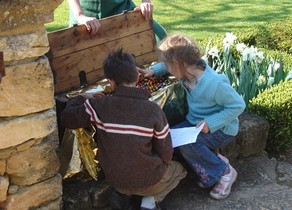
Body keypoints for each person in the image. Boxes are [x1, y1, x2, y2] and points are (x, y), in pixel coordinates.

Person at [61, 48, 187, 210]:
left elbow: (67, 118)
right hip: (149, 180)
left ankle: (123, 194)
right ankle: (149, 202)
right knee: (180, 171)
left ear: (110, 81)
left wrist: (81, 97)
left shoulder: (99, 106)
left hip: (115, 179)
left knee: (130, 178)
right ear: (137, 76)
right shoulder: (153, 110)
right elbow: (166, 151)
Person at [139, 34, 246, 200]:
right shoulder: (187, 72)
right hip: (195, 122)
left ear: (178, 64)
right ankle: (214, 161)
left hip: (222, 129)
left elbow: (238, 105)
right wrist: (152, 71)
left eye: (168, 65)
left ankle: (225, 172)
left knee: (189, 144)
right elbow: (167, 64)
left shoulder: (214, 83)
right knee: (168, 138)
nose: (166, 68)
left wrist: (210, 123)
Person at [68, 0, 167, 42]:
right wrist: (80, 15)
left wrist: (146, 2)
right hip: (85, 14)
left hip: (120, 7)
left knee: (160, 36)